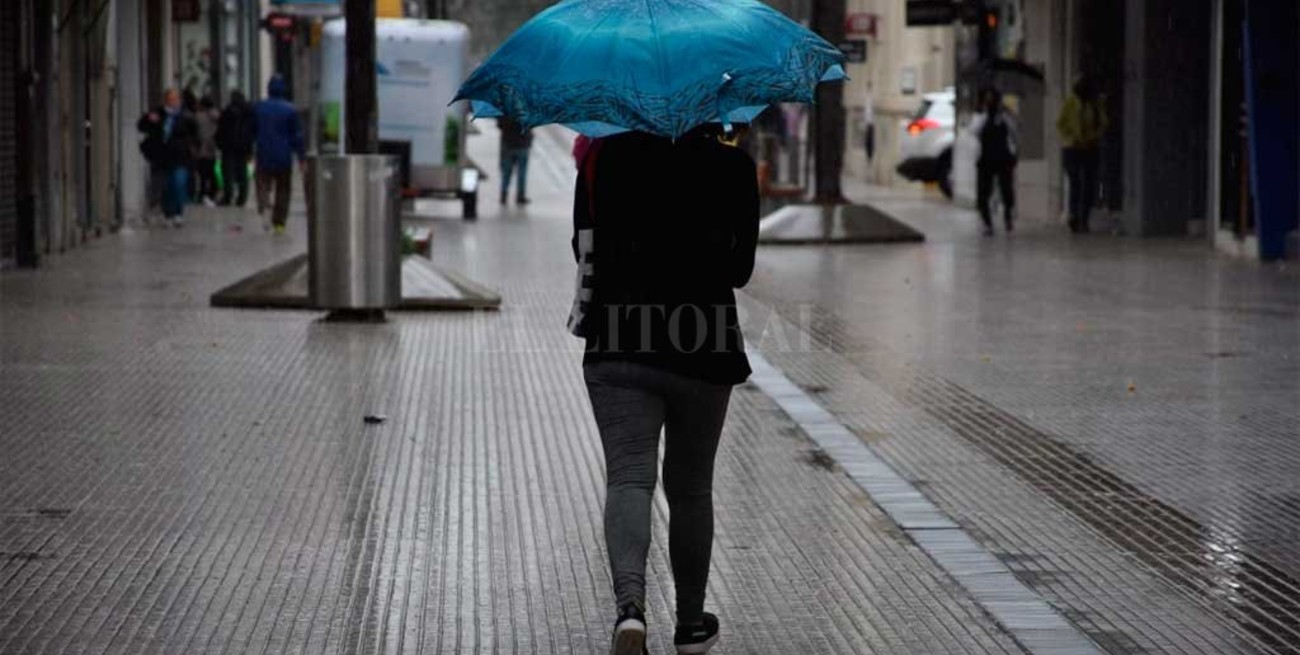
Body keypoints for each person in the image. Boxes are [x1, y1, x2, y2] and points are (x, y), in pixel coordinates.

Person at [569, 124, 758, 655]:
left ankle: (630, 611)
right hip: (704, 346)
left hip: (619, 341)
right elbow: (739, 271)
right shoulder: (734, 168)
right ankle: (692, 624)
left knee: (630, 479)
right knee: (691, 487)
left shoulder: (602, 162)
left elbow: (581, 248)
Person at [136, 89, 198, 227]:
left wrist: (192, 149)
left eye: (176, 99)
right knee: (166, 186)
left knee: (179, 183)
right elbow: (141, 126)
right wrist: (149, 119)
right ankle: (168, 213)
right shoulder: (157, 113)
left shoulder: (186, 117)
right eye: (171, 99)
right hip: (161, 157)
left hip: (180, 157)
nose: (174, 102)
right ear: (165, 100)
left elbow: (195, 135)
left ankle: (178, 213)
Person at [253, 75, 305, 234]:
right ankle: (280, 223)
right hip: (283, 156)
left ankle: (265, 205)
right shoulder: (290, 109)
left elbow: (252, 130)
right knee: (283, 189)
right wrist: (301, 158)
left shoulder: (259, 108)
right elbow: (297, 136)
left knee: (262, 183)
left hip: (263, 153)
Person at [1057, 75, 1108, 233]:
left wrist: (1093, 137)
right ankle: (1073, 215)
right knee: (1075, 181)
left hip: (1090, 147)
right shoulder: (1070, 102)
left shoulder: (1096, 103)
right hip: (1072, 147)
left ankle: (1084, 219)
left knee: (1089, 183)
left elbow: (1104, 123)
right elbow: (1061, 124)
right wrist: (1073, 138)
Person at [970, 88, 1018, 236]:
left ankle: (1008, 217)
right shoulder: (980, 117)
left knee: (1007, 191)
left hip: (1003, 158)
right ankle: (987, 223)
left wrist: (1006, 114)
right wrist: (983, 115)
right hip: (985, 159)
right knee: (983, 193)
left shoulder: (1004, 117)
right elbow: (973, 131)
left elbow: (1014, 131)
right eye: (987, 99)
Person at [216, 91, 256, 207]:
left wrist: (219, 143)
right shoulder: (249, 113)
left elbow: (221, 130)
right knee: (242, 172)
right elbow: (251, 131)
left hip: (228, 147)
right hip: (243, 147)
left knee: (228, 172)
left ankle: (228, 196)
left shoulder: (227, 112)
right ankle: (242, 198)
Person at [192, 96, 221, 206]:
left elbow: (195, 132)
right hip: (212, 147)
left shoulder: (198, 117)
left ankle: (203, 194)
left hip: (201, 148)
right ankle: (213, 191)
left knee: (202, 173)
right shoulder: (217, 116)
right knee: (211, 171)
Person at [498, 115, 533, 205]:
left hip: (508, 143)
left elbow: (499, 125)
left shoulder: (505, 107)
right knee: (522, 173)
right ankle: (520, 196)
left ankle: (504, 194)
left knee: (507, 172)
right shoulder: (527, 108)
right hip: (523, 144)